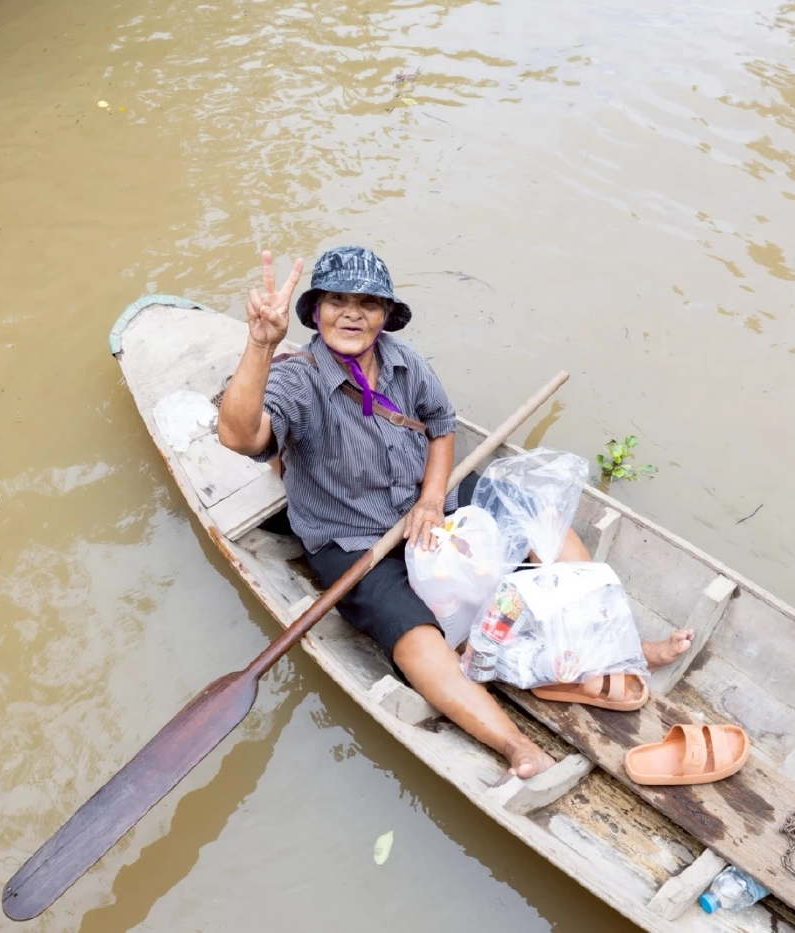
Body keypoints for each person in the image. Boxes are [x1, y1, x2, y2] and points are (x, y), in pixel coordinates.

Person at [217, 247, 693, 778]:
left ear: (384, 316)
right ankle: (514, 745)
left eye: (368, 304)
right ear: (315, 312)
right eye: (337, 301)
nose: (352, 313)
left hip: (429, 502)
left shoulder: (403, 362)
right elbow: (240, 435)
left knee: (540, 522)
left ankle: (621, 647)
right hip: (352, 538)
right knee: (415, 639)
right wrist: (261, 346)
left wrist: (430, 497)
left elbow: (441, 425)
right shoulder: (297, 380)